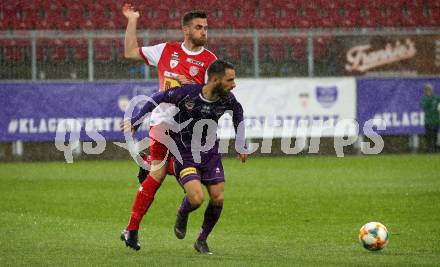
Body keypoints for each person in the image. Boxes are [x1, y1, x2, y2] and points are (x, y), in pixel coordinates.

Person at [121, 60, 248, 253]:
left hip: (210, 153)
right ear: (215, 79)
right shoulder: (188, 94)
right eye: (230, 80)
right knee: (196, 198)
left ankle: (202, 240)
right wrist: (137, 120)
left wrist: (240, 143)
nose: (234, 84)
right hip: (185, 152)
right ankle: (182, 212)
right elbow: (158, 97)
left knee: (218, 197)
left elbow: (238, 114)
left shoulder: (227, 99)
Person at [120, 4, 217, 250]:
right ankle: (131, 230)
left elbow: (211, 98)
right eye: (198, 27)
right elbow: (130, 51)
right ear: (186, 30)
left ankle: (149, 163)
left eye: (205, 27)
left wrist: (192, 86)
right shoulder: (166, 50)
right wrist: (132, 20)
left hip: (189, 131)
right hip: (162, 123)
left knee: (191, 188)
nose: (203, 31)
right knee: (158, 174)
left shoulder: (210, 61)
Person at [420, 83, 440, 153]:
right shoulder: (424, 98)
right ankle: (429, 149)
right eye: (427, 90)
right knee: (428, 136)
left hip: (436, 120)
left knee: (434, 136)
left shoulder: (437, 98)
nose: (428, 91)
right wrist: (430, 98)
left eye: (429, 90)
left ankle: (434, 149)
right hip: (428, 120)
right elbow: (424, 106)